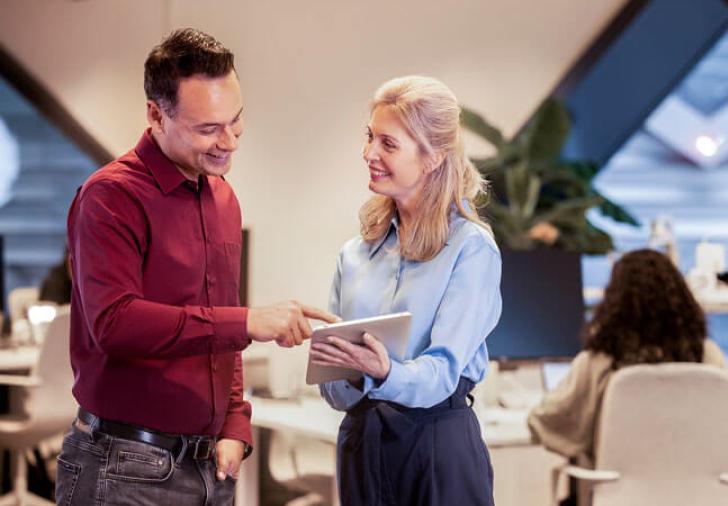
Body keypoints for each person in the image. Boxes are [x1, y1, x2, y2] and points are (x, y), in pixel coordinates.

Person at [57, 28, 336, 505]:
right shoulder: (110, 197)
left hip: (209, 468)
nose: (228, 142)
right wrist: (248, 320)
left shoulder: (222, 197)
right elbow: (115, 323)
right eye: (208, 128)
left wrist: (234, 421)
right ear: (155, 114)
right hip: (123, 469)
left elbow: (218, 331)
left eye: (236, 121)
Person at [309, 75, 501, 505]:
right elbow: (332, 387)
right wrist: (348, 370)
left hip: (436, 448)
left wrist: (382, 372)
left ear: (432, 157)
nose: (369, 153)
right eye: (370, 137)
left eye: (388, 144)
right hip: (362, 446)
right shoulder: (354, 255)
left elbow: (442, 372)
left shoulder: (471, 251)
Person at [528, 248, 728, 461]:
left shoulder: (599, 360)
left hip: (618, 492)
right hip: (699, 490)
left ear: (614, 301)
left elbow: (551, 420)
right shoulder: (707, 356)